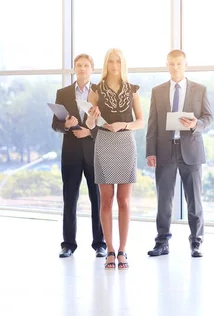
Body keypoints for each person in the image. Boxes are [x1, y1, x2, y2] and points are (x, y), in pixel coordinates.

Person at [146, 50, 213, 258]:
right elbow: (152, 124)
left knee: (194, 199)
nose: (175, 67)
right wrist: (150, 151)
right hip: (165, 150)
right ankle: (162, 241)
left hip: (190, 150)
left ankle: (196, 241)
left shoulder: (199, 90)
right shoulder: (157, 91)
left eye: (178, 64)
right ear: (167, 65)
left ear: (185, 65)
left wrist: (196, 124)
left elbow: (208, 118)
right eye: (171, 64)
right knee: (164, 200)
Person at [86, 48, 144, 270]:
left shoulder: (132, 90)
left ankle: (123, 249)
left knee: (125, 201)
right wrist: (92, 118)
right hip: (104, 143)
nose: (114, 65)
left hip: (126, 143)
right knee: (107, 200)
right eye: (110, 61)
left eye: (118, 61)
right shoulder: (96, 89)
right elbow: (90, 125)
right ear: (105, 63)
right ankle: (110, 249)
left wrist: (124, 125)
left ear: (123, 64)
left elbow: (141, 121)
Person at [51, 54, 106, 258]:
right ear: (74, 68)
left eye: (86, 65)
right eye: (78, 65)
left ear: (92, 69)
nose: (82, 68)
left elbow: (106, 124)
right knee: (70, 198)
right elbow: (55, 124)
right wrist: (65, 125)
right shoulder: (63, 93)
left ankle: (100, 243)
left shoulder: (100, 92)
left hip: (94, 151)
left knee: (97, 199)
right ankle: (68, 244)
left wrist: (89, 132)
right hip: (71, 153)